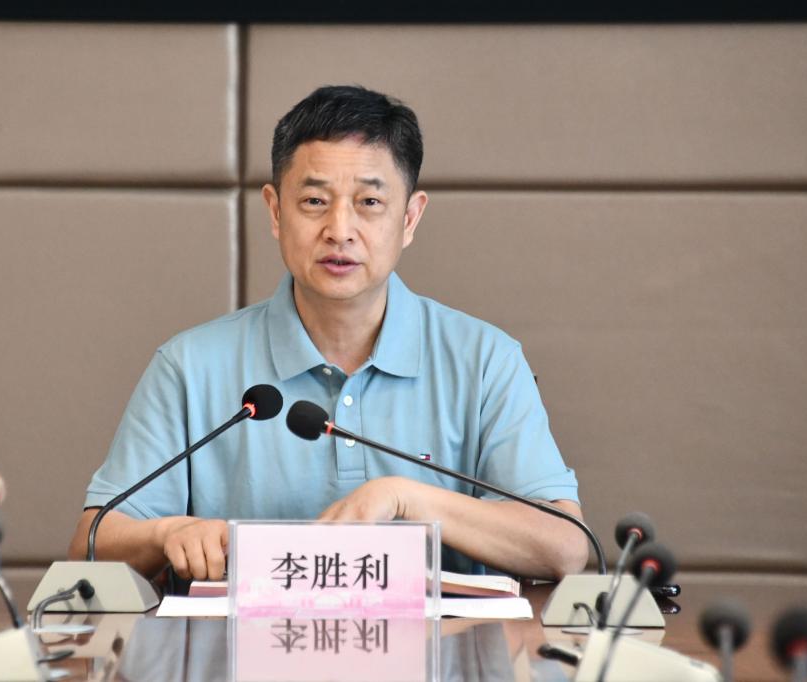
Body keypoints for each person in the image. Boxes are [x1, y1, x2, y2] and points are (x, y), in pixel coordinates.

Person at [68, 85, 589, 581]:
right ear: (276, 212)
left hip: (442, 645)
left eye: (369, 203)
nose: (339, 231)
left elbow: (565, 545)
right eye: (315, 201)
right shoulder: (190, 366)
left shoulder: (485, 360)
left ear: (410, 218)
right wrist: (166, 533)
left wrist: (407, 498)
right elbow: (91, 547)